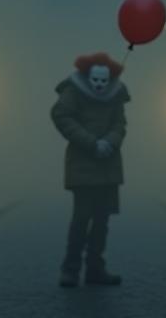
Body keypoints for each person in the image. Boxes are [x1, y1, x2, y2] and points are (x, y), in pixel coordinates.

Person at [51, 52, 130, 287]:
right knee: (81, 218)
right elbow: (61, 115)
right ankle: (71, 269)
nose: (99, 85)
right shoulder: (73, 91)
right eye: (95, 80)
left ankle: (95, 268)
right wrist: (90, 142)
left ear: (109, 79)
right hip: (83, 166)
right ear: (88, 77)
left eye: (103, 81)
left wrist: (109, 142)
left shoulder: (116, 95)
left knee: (102, 221)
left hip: (107, 166)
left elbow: (120, 124)